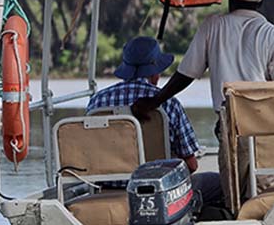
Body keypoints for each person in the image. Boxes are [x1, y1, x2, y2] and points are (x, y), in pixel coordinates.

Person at [132, 0, 274, 204]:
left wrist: (155, 101)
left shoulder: (213, 26)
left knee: (233, 194)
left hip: (230, 122)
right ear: (260, 3)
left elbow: (186, 74)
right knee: (264, 195)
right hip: (265, 124)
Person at [86, 36, 222, 208]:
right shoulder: (168, 104)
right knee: (219, 183)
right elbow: (191, 165)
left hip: (107, 187)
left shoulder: (97, 102)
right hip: (159, 191)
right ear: (156, 72)